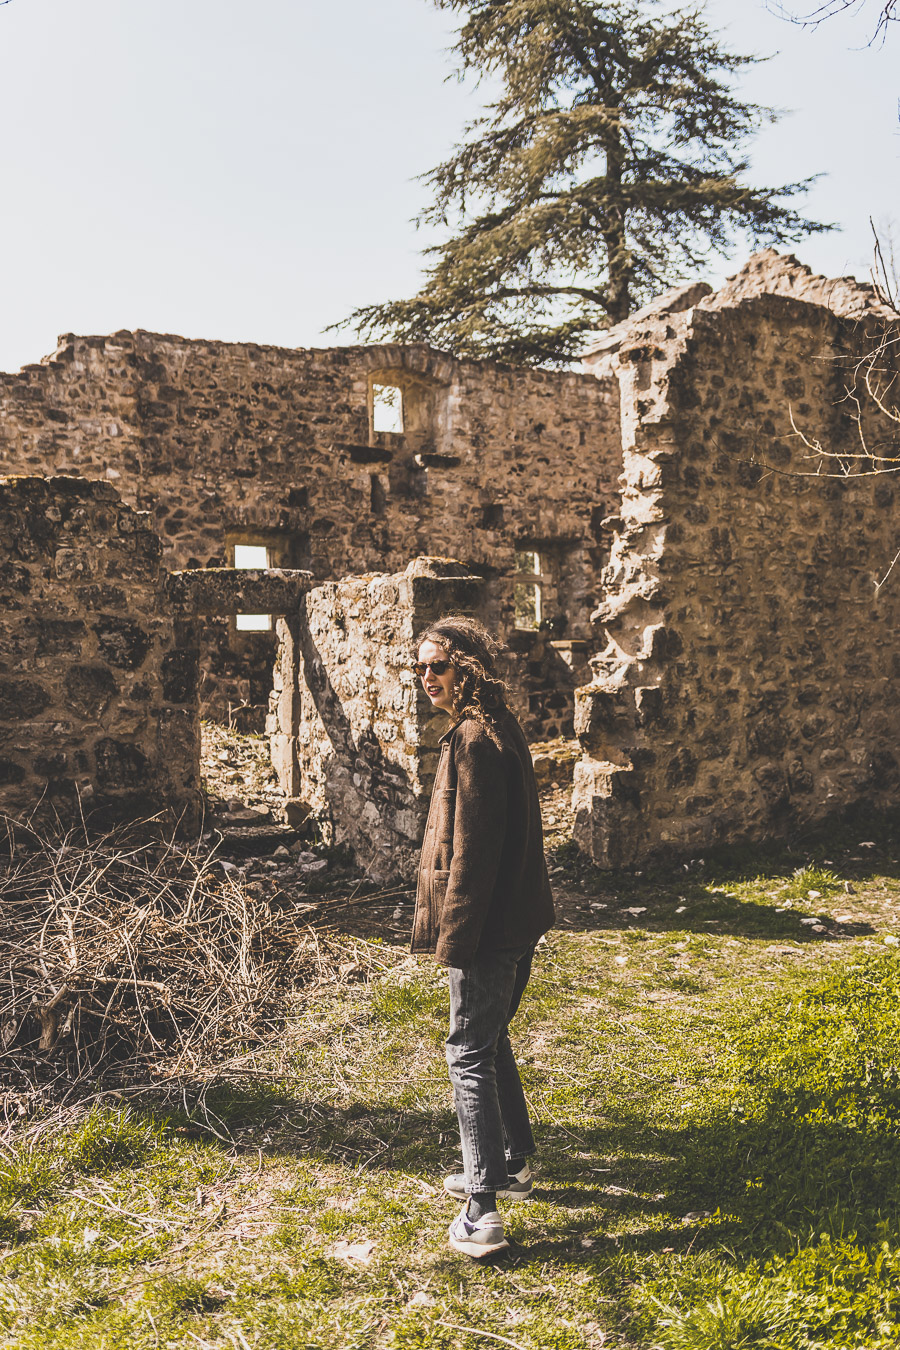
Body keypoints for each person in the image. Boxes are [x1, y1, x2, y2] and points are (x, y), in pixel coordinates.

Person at [410, 616, 555, 1258]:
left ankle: (482, 1210)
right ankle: (513, 1162)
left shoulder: (472, 738)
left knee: (467, 1052)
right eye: (420, 667)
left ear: (467, 667)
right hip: (520, 919)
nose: (426, 677)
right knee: (490, 1043)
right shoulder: (500, 726)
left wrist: (456, 939)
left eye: (437, 665)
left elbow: (473, 852)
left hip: (492, 927)